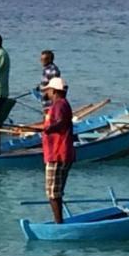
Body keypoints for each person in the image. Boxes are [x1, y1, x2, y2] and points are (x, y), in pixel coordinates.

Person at [40, 76, 76, 223]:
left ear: (54, 91)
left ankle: (58, 223)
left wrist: (49, 128)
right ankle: (59, 221)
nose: (46, 92)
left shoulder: (59, 105)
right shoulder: (60, 105)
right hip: (58, 152)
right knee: (55, 191)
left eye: (48, 89)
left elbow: (61, 122)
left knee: (53, 192)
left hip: (58, 153)